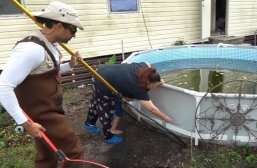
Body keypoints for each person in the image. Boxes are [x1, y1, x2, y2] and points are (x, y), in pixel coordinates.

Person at [0, 1, 84, 167]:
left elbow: (45, 74)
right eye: (73, 29)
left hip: (49, 108)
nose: (74, 35)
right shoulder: (32, 48)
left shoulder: (49, 45)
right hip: (42, 114)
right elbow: (3, 85)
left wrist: (70, 65)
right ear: (59, 26)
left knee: (47, 155)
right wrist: (26, 124)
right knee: (73, 151)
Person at [84, 62, 173, 144]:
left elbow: (149, 68)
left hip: (100, 72)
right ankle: (108, 136)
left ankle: (89, 124)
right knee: (107, 110)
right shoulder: (138, 88)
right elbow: (152, 108)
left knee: (96, 101)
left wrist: (159, 81)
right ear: (148, 82)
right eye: (155, 86)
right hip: (102, 83)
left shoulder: (145, 68)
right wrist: (165, 118)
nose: (155, 88)